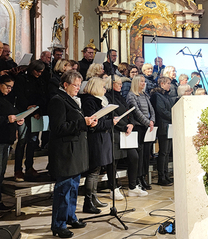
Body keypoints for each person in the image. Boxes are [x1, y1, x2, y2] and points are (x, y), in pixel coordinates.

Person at [48, 70, 97, 238]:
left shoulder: (74, 100)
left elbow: (76, 122)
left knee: (74, 187)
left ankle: (70, 217)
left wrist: (88, 123)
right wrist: (82, 122)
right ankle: (58, 224)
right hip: (65, 152)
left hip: (76, 150)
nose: (78, 88)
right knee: (64, 189)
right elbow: (58, 128)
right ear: (65, 85)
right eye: (75, 85)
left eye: (79, 85)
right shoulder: (57, 101)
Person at [0, 75, 24, 219]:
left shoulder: (7, 97)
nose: (9, 89)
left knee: (0, 174)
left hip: (6, 140)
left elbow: (11, 114)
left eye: (11, 87)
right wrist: (6, 119)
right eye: (7, 86)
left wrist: (17, 120)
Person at [105, 75, 148, 198]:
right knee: (114, 161)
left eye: (121, 83)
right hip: (115, 133)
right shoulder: (109, 97)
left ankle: (133, 187)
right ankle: (113, 188)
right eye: (118, 83)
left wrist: (131, 124)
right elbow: (112, 116)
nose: (121, 85)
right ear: (111, 84)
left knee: (134, 156)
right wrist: (124, 127)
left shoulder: (121, 97)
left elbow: (129, 113)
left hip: (126, 133)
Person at [80, 77, 119, 213]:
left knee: (96, 171)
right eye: (102, 87)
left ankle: (94, 197)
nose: (105, 89)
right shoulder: (90, 102)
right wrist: (110, 123)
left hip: (103, 138)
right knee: (93, 171)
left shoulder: (100, 100)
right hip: (95, 139)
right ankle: (88, 201)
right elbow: (93, 124)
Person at [12, 60, 47, 182]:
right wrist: (27, 106)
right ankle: (18, 169)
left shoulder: (40, 81)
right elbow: (19, 95)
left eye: (41, 72)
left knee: (33, 141)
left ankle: (29, 167)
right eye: (38, 71)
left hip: (35, 113)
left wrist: (37, 109)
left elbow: (42, 96)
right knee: (22, 142)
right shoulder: (22, 79)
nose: (39, 73)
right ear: (32, 69)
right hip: (23, 112)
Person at [126, 75, 155, 190]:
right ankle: (137, 178)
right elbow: (136, 112)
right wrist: (147, 122)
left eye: (144, 82)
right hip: (138, 127)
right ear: (136, 83)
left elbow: (151, 110)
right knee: (139, 154)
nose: (144, 84)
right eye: (141, 82)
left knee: (146, 154)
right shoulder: (131, 95)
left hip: (147, 127)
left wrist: (152, 120)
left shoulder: (145, 95)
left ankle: (143, 176)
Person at [150, 76, 174, 186]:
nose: (170, 85)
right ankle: (161, 176)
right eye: (168, 83)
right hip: (162, 126)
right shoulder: (157, 96)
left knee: (167, 152)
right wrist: (173, 116)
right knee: (163, 152)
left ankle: (166, 175)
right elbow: (161, 111)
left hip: (168, 126)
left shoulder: (166, 95)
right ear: (162, 84)